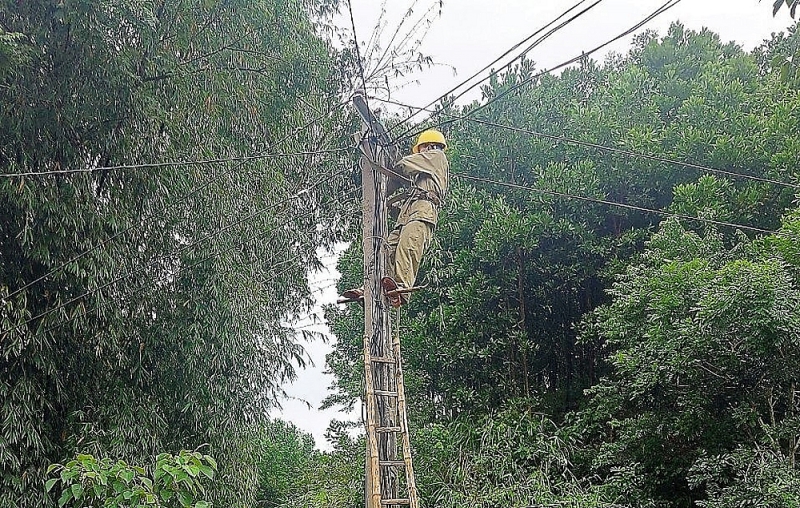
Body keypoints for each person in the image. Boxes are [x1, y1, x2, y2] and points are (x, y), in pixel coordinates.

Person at [339, 129, 449, 307]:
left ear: (428, 146)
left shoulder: (436, 156)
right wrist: (381, 196)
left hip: (423, 213)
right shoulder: (421, 178)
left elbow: (402, 166)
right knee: (385, 249)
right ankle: (370, 286)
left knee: (408, 247)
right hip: (409, 214)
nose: (420, 152)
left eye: (421, 149)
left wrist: (386, 160)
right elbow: (397, 182)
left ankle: (401, 288)